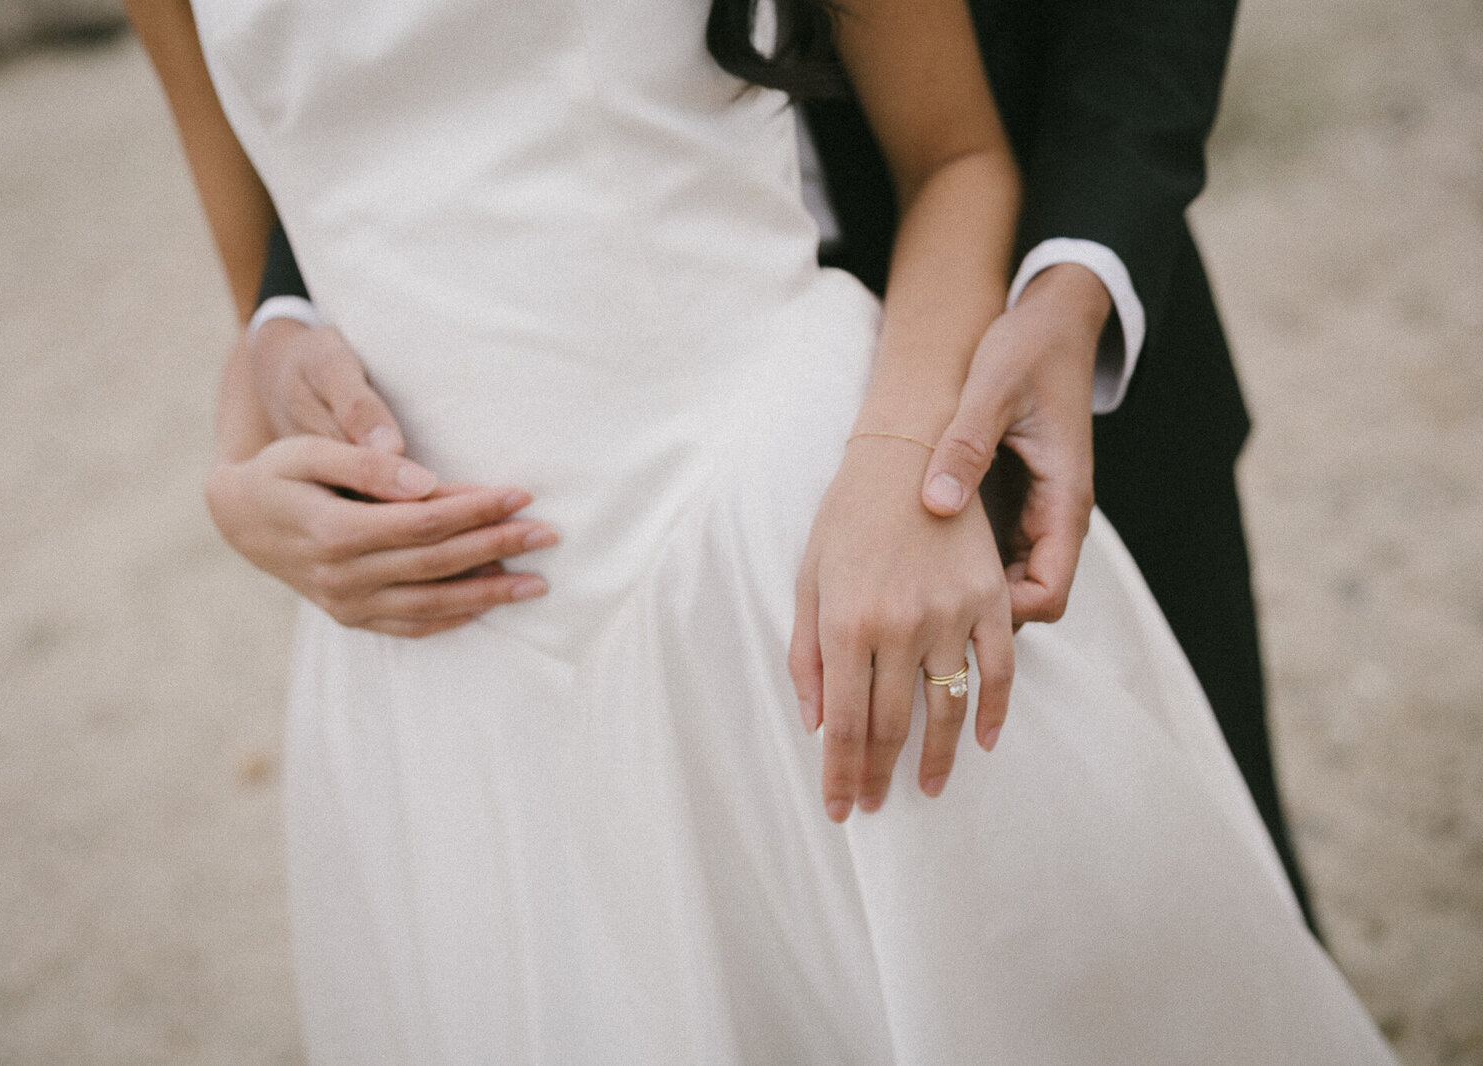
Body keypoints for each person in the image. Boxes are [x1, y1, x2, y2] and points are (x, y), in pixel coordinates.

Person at [128, 0, 1394, 1060]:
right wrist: (240, 474)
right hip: (449, 631)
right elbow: (270, 265)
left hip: (809, 504)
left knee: (1088, 955)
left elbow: (959, 149)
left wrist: (913, 460)